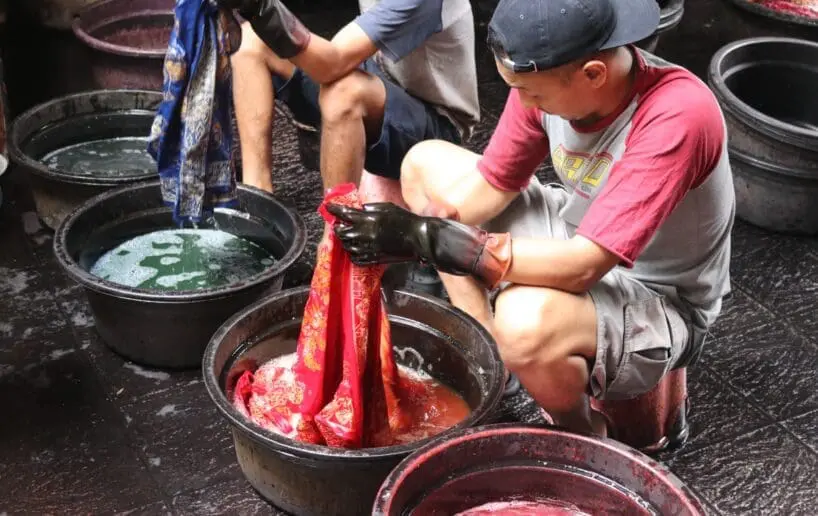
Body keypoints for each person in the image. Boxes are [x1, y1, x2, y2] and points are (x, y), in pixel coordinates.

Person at [326, 0, 735, 437]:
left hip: (658, 296)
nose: (522, 102)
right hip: (579, 229)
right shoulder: (552, 74)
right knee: (424, 166)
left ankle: (582, 431)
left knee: (524, 322)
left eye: (532, 93)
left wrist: (432, 238)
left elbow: (583, 267)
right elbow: (496, 182)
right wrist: (434, 219)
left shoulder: (678, 116)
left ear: (594, 73)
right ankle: (488, 359)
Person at [218, 0, 480, 205]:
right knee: (251, 40)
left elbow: (331, 64)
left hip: (439, 130)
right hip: (381, 81)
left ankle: (334, 242)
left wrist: (260, 7)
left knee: (343, 91)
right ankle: (258, 199)